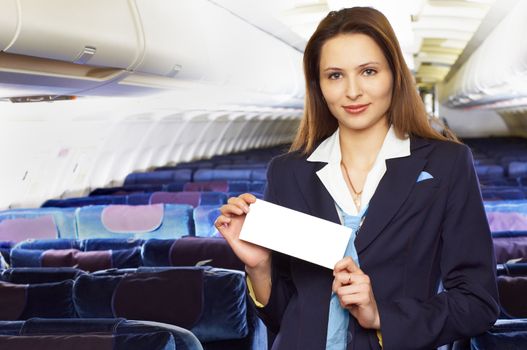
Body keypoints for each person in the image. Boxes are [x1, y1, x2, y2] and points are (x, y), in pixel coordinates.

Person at [215, 7, 499, 350]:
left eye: (368, 71)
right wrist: (260, 268)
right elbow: (284, 316)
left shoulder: (446, 164)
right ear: (318, 85)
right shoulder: (289, 172)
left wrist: (381, 316)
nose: (352, 91)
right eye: (335, 75)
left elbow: (477, 302)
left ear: (394, 74)